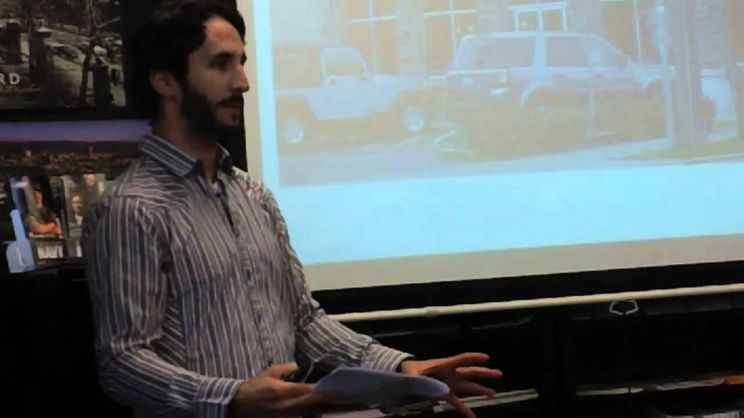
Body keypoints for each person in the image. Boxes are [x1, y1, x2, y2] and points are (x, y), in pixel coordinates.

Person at [81, 2, 502, 418]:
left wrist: (400, 369)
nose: (243, 82)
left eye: (242, 63)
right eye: (221, 64)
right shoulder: (131, 209)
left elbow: (303, 321)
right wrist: (231, 398)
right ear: (165, 81)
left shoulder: (253, 195)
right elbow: (123, 362)